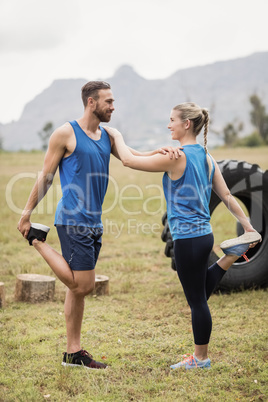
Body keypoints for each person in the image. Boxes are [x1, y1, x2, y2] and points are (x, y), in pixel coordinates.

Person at [17, 81, 176, 370]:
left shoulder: (109, 134)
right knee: (84, 285)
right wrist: (27, 213)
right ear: (91, 102)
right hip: (72, 219)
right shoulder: (66, 133)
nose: (113, 107)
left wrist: (160, 152)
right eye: (109, 101)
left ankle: (72, 353)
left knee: (75, 290)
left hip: (94, 221)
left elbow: (132, 157)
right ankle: (38, 241)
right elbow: (46, 177)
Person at [104, 102, 262, 370]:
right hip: (204, 236)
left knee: (198, 301)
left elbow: (129, 161)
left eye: (171, 120)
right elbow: (226, 196)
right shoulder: (206, 157)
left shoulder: (176, 157)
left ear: (186, 124)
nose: (169, 125)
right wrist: (248, 227)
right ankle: (228, 257)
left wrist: (116, 135)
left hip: (187, 240)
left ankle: (200, 359)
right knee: (200, 292)